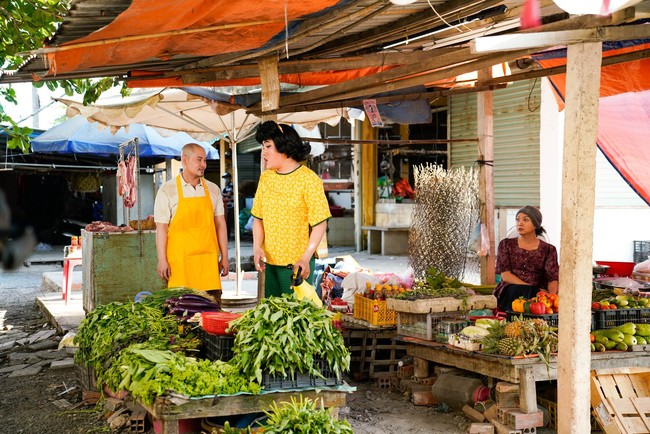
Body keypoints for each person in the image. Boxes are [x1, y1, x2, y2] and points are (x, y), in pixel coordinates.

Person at [251, 121, 331, 297]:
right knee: (271, 316)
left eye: (268, 146)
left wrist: (306, 257)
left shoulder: (309, 180)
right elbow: (258, 219)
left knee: (297, 318)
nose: (263, 152)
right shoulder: (266, 179)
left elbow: (320, 223)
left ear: (284, 146)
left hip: (296, 265)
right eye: (263, 147)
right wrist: (257, 247)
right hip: (269, 264)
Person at [154, 143, 229, 300]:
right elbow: (161, 228)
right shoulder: (167, 190)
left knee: (211, 313)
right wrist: (162, 260)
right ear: (185, 160)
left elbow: (221, 225)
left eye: (205, 161)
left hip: (208, 263)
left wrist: (225, 257)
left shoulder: (213, 189)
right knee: (181, 315)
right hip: (180, 264)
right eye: (199, 160)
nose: (204, 165)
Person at [493, 206, 559, 312]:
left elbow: (552, 279)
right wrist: (531, 288)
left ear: (536, 224)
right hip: (511, 292)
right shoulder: (505, 245)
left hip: (538, 296)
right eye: (517, 219)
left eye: (526, 220)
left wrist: (551, 298)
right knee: (520, 290)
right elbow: (506, 276)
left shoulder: (549, 250)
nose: (520, 223)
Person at [221, 172, 235, 240]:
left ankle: (228, 236)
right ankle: (227, 235)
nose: (225, 180)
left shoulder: (231, 185)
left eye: (226, 178)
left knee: (229, 222)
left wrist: (221, 193)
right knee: (226, 221)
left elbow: (229, 194)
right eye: (224, 178)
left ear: (229, 178)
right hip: (226, 206)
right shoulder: (226, 186)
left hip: (231, 206)